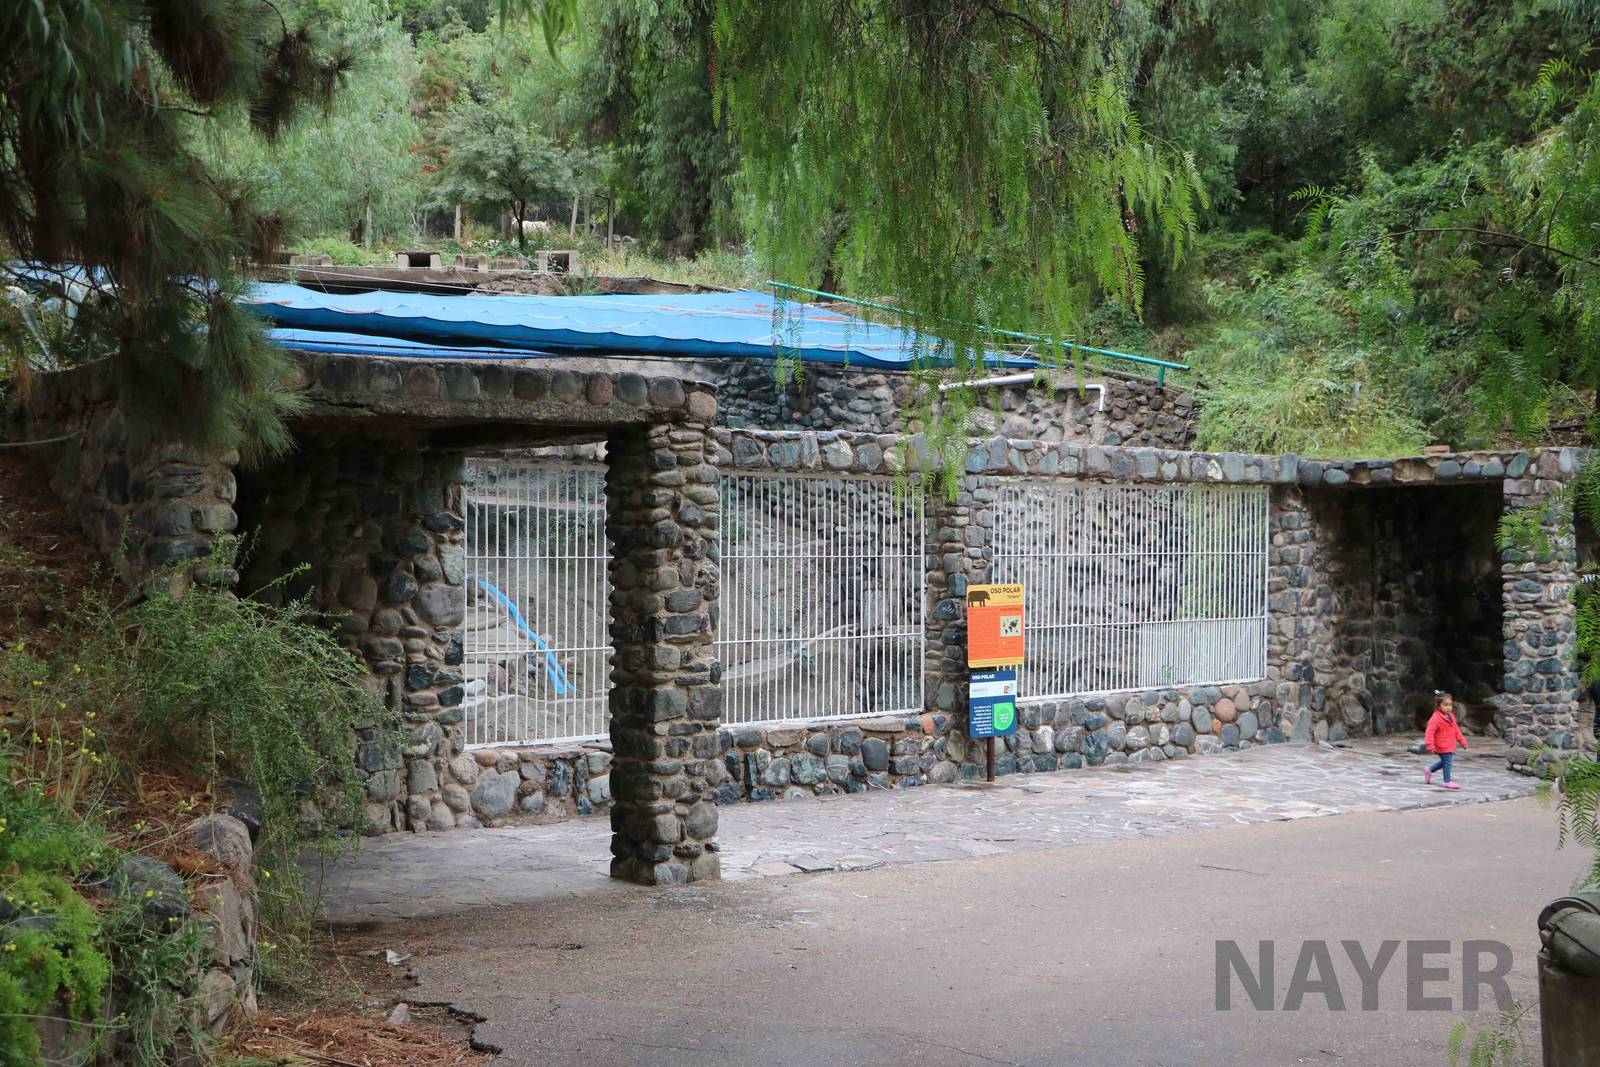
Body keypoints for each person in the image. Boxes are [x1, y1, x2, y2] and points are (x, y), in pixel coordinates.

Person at [1423, 689, 1468, 789]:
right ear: (1438, 706)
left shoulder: (1450, 716)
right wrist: (1430, 745)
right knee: (1447, 762)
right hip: (1441, 745)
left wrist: (1462, 741)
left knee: (1445, 762)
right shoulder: (1435, 719)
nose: (1448, 707)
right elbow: (1429, 732)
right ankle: (1447, 781)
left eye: (1450, 705)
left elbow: (1456, 730)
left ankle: (1429, 770)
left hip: (1450, 744)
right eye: (1445, 705)